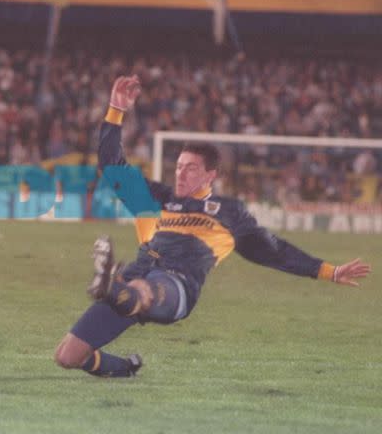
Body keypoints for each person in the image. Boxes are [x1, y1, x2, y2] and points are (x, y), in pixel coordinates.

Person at [54, 75, 371, 378]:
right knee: (68, 357)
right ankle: (124, 367)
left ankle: (111, 286)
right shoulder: (155, 198)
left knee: (142, 292)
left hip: (175, 285)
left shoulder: (228, 211)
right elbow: (112, 167)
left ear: (210, 175)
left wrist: (329, 270)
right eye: (178, 167)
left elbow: (274, 251)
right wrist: (116, 111)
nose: (180, 174)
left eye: (190, 169)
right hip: (137, 272)